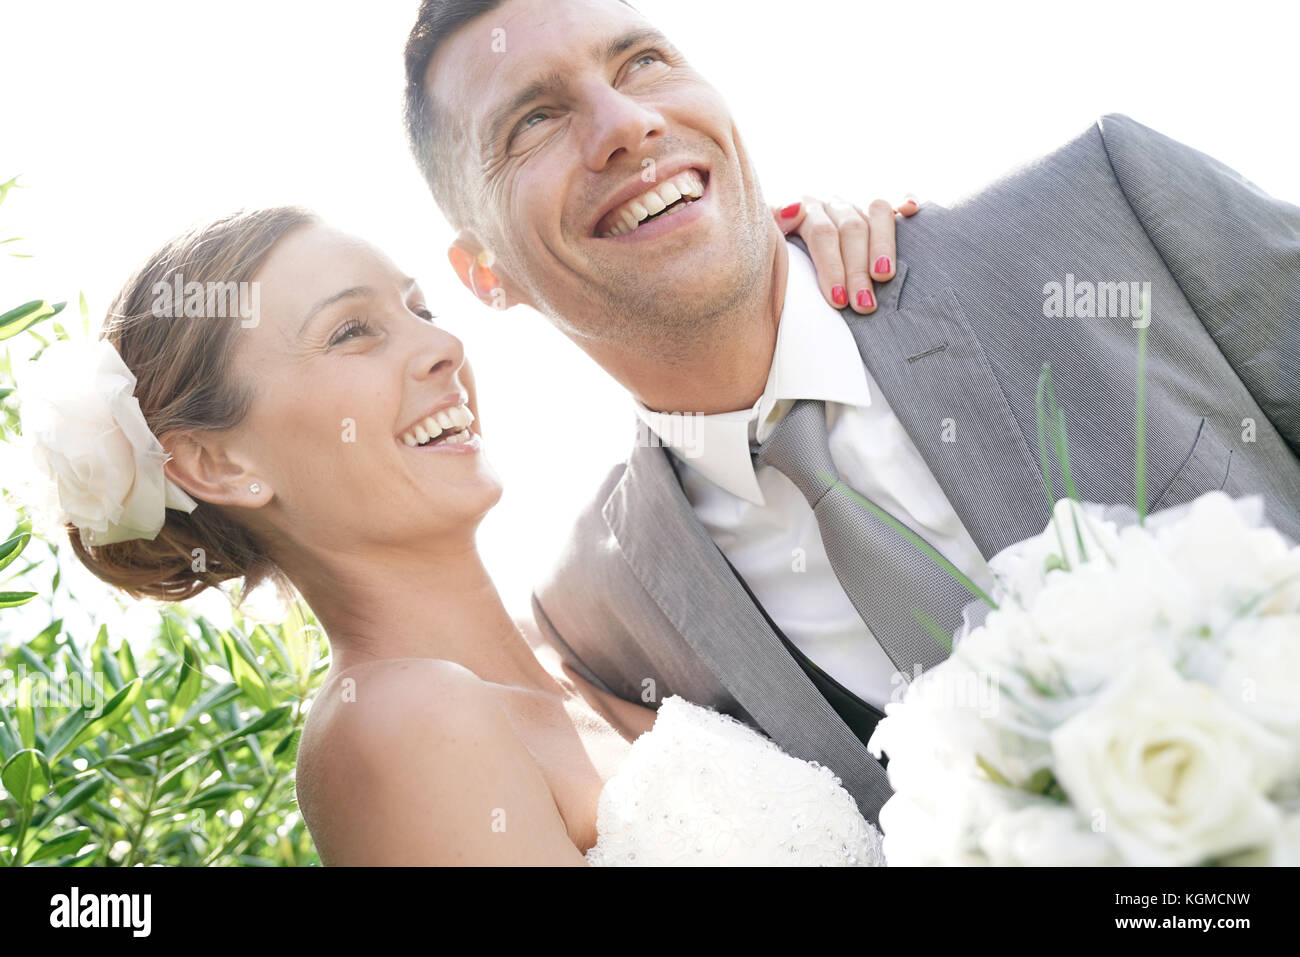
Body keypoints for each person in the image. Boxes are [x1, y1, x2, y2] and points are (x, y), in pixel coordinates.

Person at [401, 0, 1300, 827]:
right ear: (486, 273)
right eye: (536, 119)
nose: (626, 124)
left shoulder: (1106, 212)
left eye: (641, 63)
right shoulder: (599, 614)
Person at [19, 199, 907, 865]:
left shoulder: (585, 640)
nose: (442, 349)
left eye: (421, 309)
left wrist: (802, 282)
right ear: (214, 465)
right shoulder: (396, 726)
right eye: (352, 331)